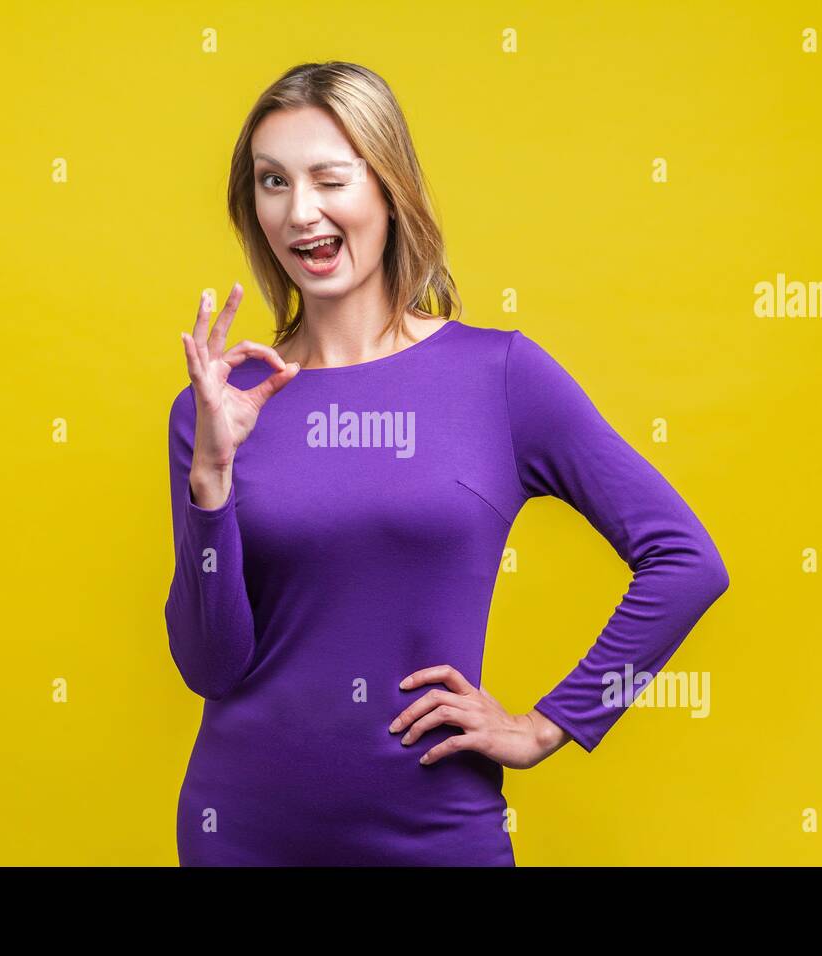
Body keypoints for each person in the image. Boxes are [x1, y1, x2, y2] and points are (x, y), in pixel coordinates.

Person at [164, 61, 729, 866]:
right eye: (273, 182)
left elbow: (687, 562)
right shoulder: (214, 408)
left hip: (434, 833)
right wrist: (210, 484)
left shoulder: (499, 377)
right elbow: (209, 665)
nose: (302, 212)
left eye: (330, 178)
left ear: (388, 187)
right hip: (242, 829)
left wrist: (550, 724)